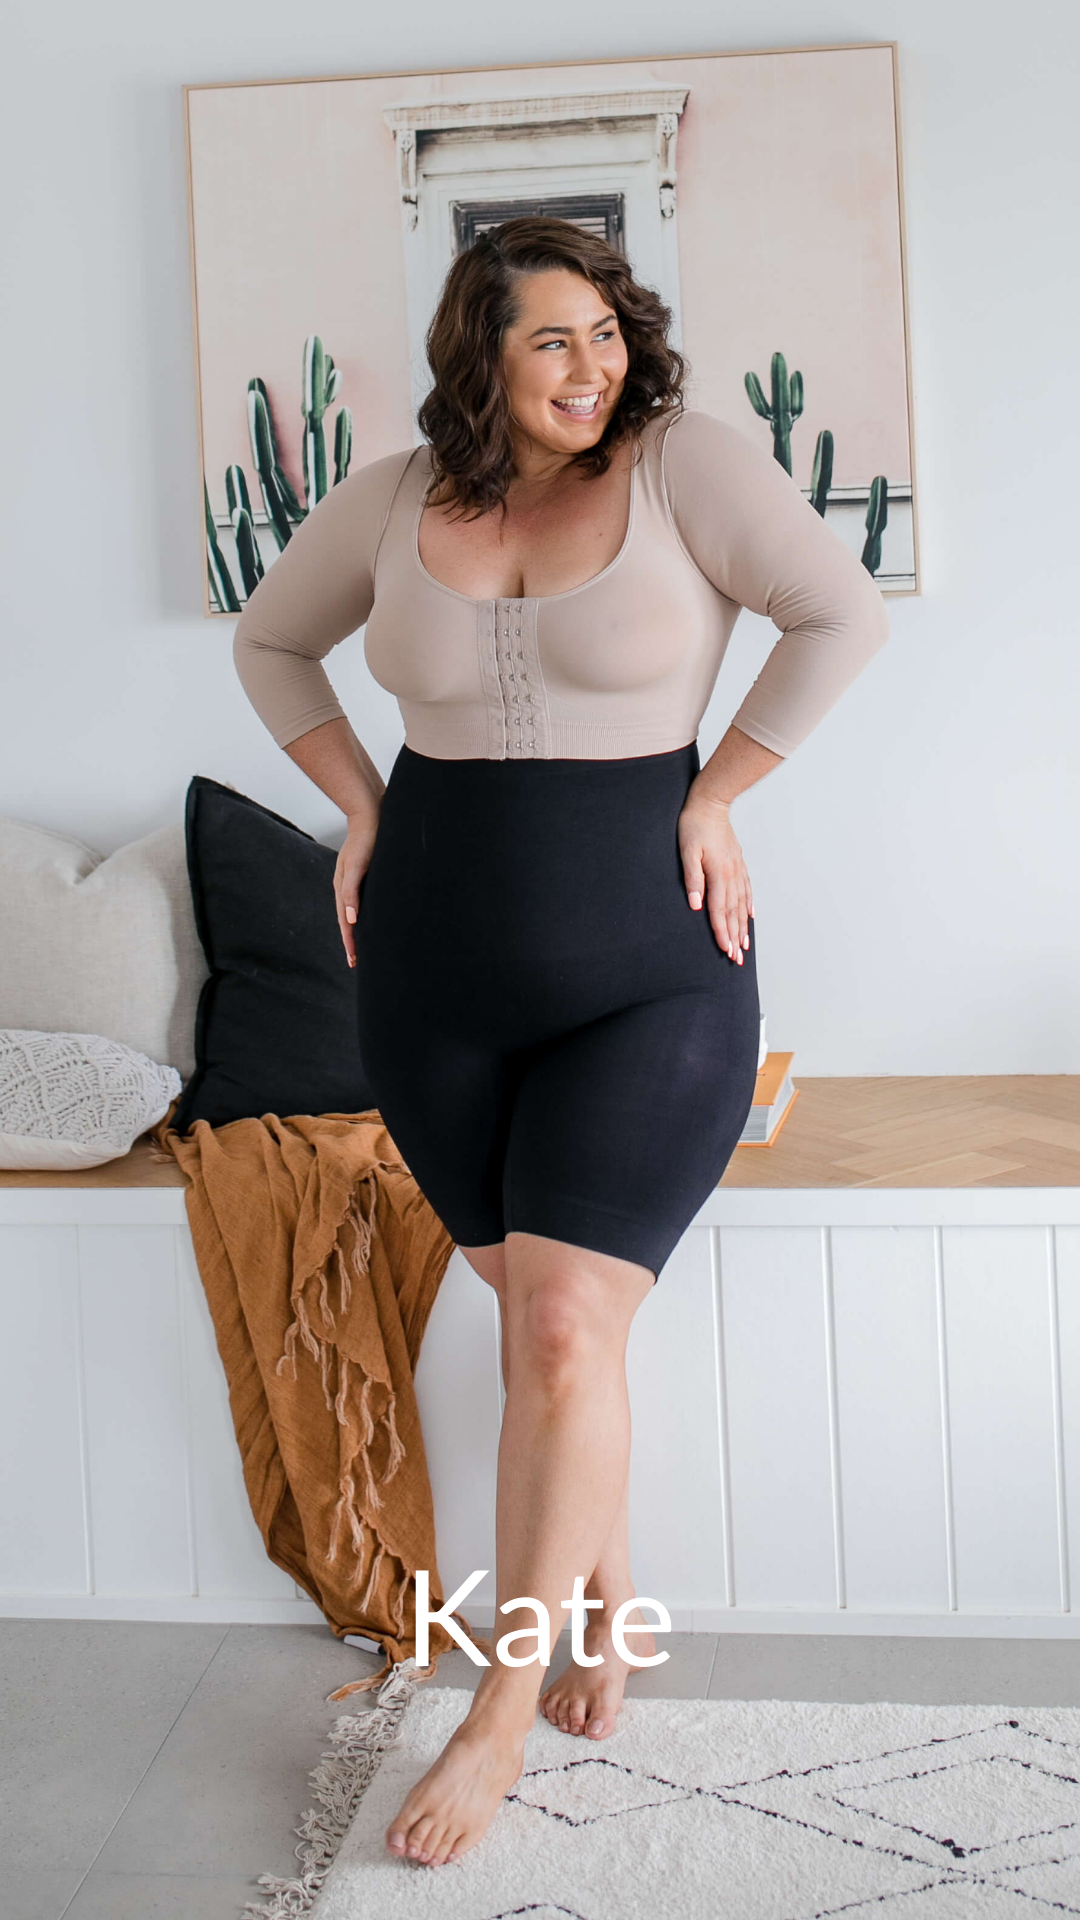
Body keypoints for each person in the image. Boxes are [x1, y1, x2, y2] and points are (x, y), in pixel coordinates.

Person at [231, 216, 889, 1868]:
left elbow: (837, 615)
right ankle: (603, 1604)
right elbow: (270, 640)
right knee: (548, 1332)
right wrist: (361, 805)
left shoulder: (684, 468)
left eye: (605, 333)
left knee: (559, 1332)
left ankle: (499, 1711)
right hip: (430, 980)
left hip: (652, 976)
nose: (590, 367)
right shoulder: (394, 497)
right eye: (550, 340)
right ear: (482, 354)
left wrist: (720, 794)